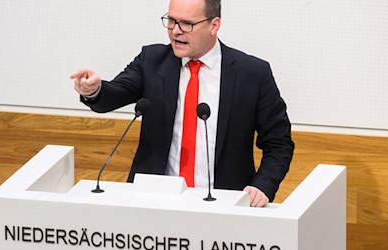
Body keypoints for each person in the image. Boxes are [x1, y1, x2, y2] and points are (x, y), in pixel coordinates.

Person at [70, 0, 294, 207]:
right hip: (154, 202)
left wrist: (262, 186)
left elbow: (279, 142)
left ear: (214, 25)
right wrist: (95, 90)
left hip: (224, 205)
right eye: (171, 20)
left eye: (187, 24)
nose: (175, 30)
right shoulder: (152, 61)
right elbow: (112, 95)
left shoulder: (252, 74)